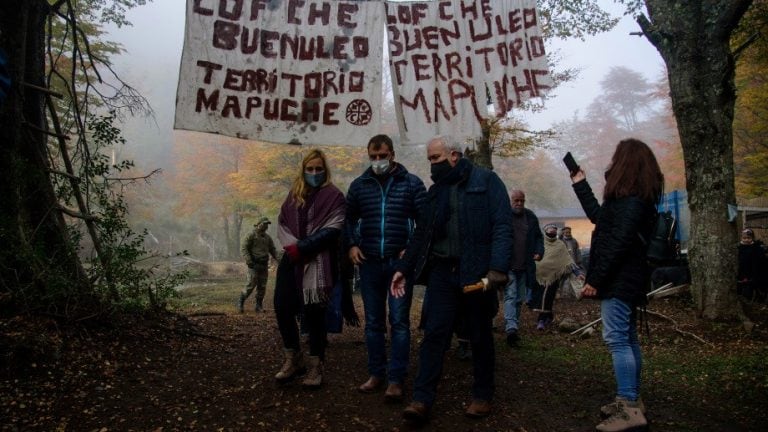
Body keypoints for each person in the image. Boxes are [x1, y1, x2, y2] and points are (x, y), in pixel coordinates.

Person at [390, 136, 512, 424]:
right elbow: (421, 234)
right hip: (443, 273)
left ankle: (482, 396)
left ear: (454, 156)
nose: (432, 165)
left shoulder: (486, 181)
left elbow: (503, 225)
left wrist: (497, 268)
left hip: (477, 273)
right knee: (434, 335)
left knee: (480, 335)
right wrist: (403, 268)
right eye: (430, 159)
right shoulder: (436, 192)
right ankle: (421, 399)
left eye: (435, 158)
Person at [570, 138, 663, 432]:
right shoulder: (630, 199)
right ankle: (632, 401)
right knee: (628, 338)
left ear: (625, 162)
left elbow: (617, 242)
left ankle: (628, 406)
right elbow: (600, 219)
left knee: (618, 340)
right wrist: (580, 184)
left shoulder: (632, 201)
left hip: (621, 280)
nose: (610, 163)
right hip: (628, 278)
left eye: (614, 157)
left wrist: (595, 280)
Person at [345, 134, 427, 402]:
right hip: (369, 264)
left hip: (398, 266)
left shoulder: (411, 183)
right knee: (373, 323)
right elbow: (347, 219)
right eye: (373, 156)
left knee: (400, 322)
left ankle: (396, 379)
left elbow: (425, 224)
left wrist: (409, 252)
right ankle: (376, 373)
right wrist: (352, 245)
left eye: (382, 155)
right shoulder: (359, 185)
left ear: (392, 154)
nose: (378, 161)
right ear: (368, 155)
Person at [273, 149, 346, 389]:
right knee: (282, 307)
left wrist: (303, 247)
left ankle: (316, 366)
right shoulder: (294, 194)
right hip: (291, 260)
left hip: (318, 261)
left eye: (318, 168)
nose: (314, 173)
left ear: (325, 170)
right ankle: (293, 358)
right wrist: (292, 247)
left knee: (314, 315)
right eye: (310, 169)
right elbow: (282, 222)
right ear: (303, 170)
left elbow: (334, 227)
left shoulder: (334, 195)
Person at [502, 189, 544, 347]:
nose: (519, 203)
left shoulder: (530, 217)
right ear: (511, 200)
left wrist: (539, 251)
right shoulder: (504, 216)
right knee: (511, 296)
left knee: (520, 299)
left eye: (521, 200)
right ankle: (511, 328)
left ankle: (513, 327)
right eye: (516, 200)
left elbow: (539, 237)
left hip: (525, 266)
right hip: (508, 265)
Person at [531, 224, 583, 330]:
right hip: (538, 276)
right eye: (550, 229)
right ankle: (548, 316)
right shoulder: (540, 243)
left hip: (553, 276)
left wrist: (578, 273)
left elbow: (568, 261)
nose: (552, 231)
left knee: (547, 296)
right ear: (545, 231)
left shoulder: (560, 245)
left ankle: (541, 320)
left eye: (554, 229)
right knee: (541, 297)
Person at [239, 217, 278, 313]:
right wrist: (249, 261)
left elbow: (273, 250)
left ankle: (258, 305)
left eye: (267, 224)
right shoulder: (251, 235)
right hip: (254, 265)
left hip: (264, 265)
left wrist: (280, 260)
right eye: (264, 224)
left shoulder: (267, 238)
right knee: (250, 285)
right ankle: (240, 302)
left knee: (262, 287)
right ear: (258, 224)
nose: (266, 226)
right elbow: (244, 248)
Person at [737, 228, 768, 302]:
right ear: (741, 238)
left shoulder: (756, 247)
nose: (746, 240)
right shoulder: (739, 248)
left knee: (756, 286)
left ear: (752, 238)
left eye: (748, 238)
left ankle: (759, 297)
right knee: (744, 289)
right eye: (744, 238)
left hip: (755, 272)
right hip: (743, 272)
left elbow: (762, 260)